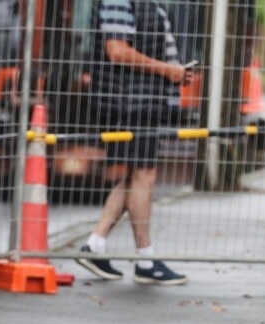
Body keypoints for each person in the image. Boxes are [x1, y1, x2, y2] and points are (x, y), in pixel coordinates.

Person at [77, 0, 193, 286]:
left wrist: (174, 70)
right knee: (144, 175)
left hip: (141, 102)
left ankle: (96, 245)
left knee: (132, 176)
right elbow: (116, 51)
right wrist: (166, 70)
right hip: (129, 104)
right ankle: (145, 259)